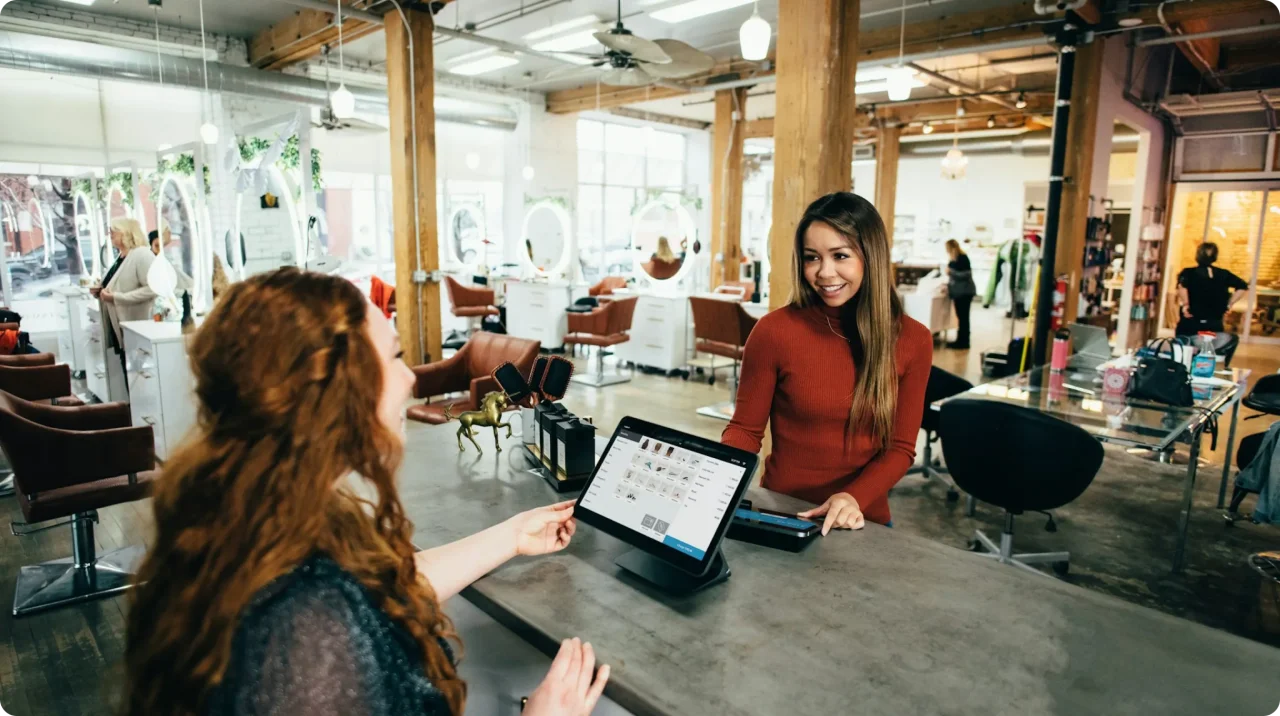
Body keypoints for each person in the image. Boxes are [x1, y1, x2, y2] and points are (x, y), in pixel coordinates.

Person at [122, 269, 609, 716]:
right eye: (395, 357)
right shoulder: (307, 636)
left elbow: (379, 589)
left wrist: (512, 535)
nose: (411, 378)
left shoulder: (254, 513)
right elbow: (342, 608)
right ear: (334, 390)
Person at [722, 193, 932, 533]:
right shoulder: (774, 332)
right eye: (811, 257)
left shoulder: (913, 340)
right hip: (783, 513)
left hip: (862, 520)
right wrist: (714, 481)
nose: (823, 272)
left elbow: (901, 448)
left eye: (840, 255)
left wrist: (852, 497)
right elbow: (745, 431)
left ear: (871, 257)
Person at [98, 217, 156, 353]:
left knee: (134, 368)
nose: (110, 234)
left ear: (126, 232)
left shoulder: (142, 255)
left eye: (114, 231)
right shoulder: (122, 256)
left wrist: (117, 297)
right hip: (118, 322)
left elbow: (152, 289)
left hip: (135, 323)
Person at [1177, 241, 1248, 336]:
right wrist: (1229, 304)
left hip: (1192, 318)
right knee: (1212, 346)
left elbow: (1182, 287)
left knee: (1187, 346)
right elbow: (1242, 286)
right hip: (1214, 320)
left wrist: (1186, 305)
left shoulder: (1188, 273)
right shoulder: (1223, 274)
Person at [944, 239, 976, 349]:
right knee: (961, 317)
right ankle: (961, 340)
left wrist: (951, 272)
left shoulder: (962, 258)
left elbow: (966, 274)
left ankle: (964, 342)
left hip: (964, 293)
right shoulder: (954, 259)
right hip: (958, 293)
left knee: (963, 318)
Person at [150, 228, 195, 295]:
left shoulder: (163, 260)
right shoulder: (154, 265)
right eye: (157, 246)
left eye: (160, 246)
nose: (159, 249)